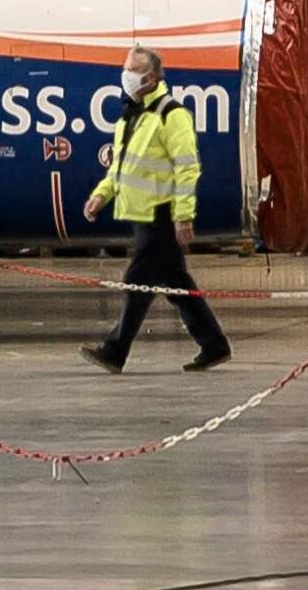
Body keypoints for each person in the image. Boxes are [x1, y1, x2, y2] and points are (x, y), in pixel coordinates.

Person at [82, 47, 231, 372]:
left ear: (151, 78)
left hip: (161, 214)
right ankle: (214, 344)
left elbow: (187, 169)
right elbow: (120, 167)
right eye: (125, 68)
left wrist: (183, 215)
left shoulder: (171, 115)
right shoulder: (131, 116)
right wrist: (101, 195)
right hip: (142, 214)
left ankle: (115, 351)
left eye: (133, 70)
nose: (126, 75)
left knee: (137, 281)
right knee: (177, 284)